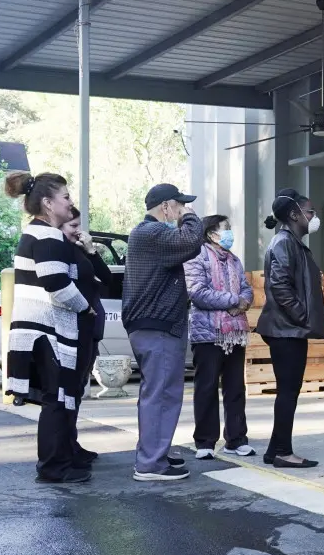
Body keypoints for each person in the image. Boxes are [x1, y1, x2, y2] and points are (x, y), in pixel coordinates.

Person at [3, 172, 93, 484]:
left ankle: (61, 461)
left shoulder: (38, 232)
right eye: (65, 197)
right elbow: (56, 284)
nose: (70, 202)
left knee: (57, 398)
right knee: (56, 400)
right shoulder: (48, 236)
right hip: (45, 329)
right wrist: (86, 306)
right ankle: (54, 468)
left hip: (38, 327)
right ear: (47, 202)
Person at [123, 183, 205, 482]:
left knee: (162, 394)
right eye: (179, 205)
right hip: (156, 328)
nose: (182, 210)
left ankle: (155, 453)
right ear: (166, 207)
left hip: (155, 327)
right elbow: (192, 241)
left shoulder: (150, 235)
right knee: (160, 396)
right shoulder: (150, 233)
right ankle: (149, 464)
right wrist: (190, 217)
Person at [255, 189, 324, 469]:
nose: (313, 217)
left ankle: (275, 449)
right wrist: (302, 317)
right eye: (310, 212)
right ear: (294, 214)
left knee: (288, 390)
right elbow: (280, 286)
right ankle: (284, 452)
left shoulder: (290, 242)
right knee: (288, 391)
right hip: (286, 329)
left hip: (288, 329)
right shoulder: (285, 242)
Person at [185, 215, 256, 460]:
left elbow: (246, 288)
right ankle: (205, 442)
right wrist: (233, 300)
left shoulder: (234, 260)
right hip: (208, 334)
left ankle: (236, 439)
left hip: (234, 332)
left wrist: (244, 301)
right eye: (225, 229)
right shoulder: (197, 257)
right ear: (211, 233)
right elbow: (197, 292)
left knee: (236, 387)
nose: (229, 233)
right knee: (206, 387)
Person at [62, 207, 112, 469]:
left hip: (91, 329)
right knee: (67, 391)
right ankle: (64, 447)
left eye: (80, 226)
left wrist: (92, 251)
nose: (78, 231)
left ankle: (72, 443)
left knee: (78, 389)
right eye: (72, 226)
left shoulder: (81, 252)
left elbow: (107, 279)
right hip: (74, 328)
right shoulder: (58, 251)